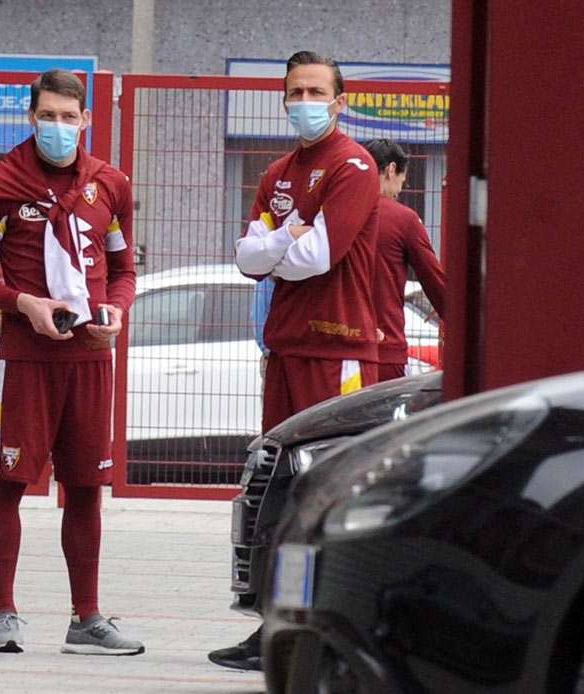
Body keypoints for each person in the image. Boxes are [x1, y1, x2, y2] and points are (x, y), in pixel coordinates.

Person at [0, 68, 142, 656]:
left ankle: (85, 618)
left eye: (69, 116)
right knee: (10, 479)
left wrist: (115, 309)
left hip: (90, 360)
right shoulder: (4, 184)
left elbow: (123, 270)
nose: (58, 127)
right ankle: (4, 613)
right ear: (30, 117)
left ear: (86, 120)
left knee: (86, 487)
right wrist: (25, 303)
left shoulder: (109, 185)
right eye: (47, 116)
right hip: (27, 358)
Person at [220, 50, 382, 672]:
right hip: (286, 346)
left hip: (337, 347)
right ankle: (273, 629)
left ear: (340, 101)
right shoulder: (278, 171)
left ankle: (329, 635)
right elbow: (246, 260)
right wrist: (287, 238)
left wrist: (279, 241)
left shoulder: (354, 165)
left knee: (332, 499)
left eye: (317, 91)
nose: (305, 101)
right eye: (295, 91)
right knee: (278, 495)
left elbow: (316, 257)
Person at [362, 138, 446, 381]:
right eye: (402, 179)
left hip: (335, 348)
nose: (401, 188)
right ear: (390, 170)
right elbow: (435, 282)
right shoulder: (403, 219)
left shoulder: (332, 212)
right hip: (384, 351)